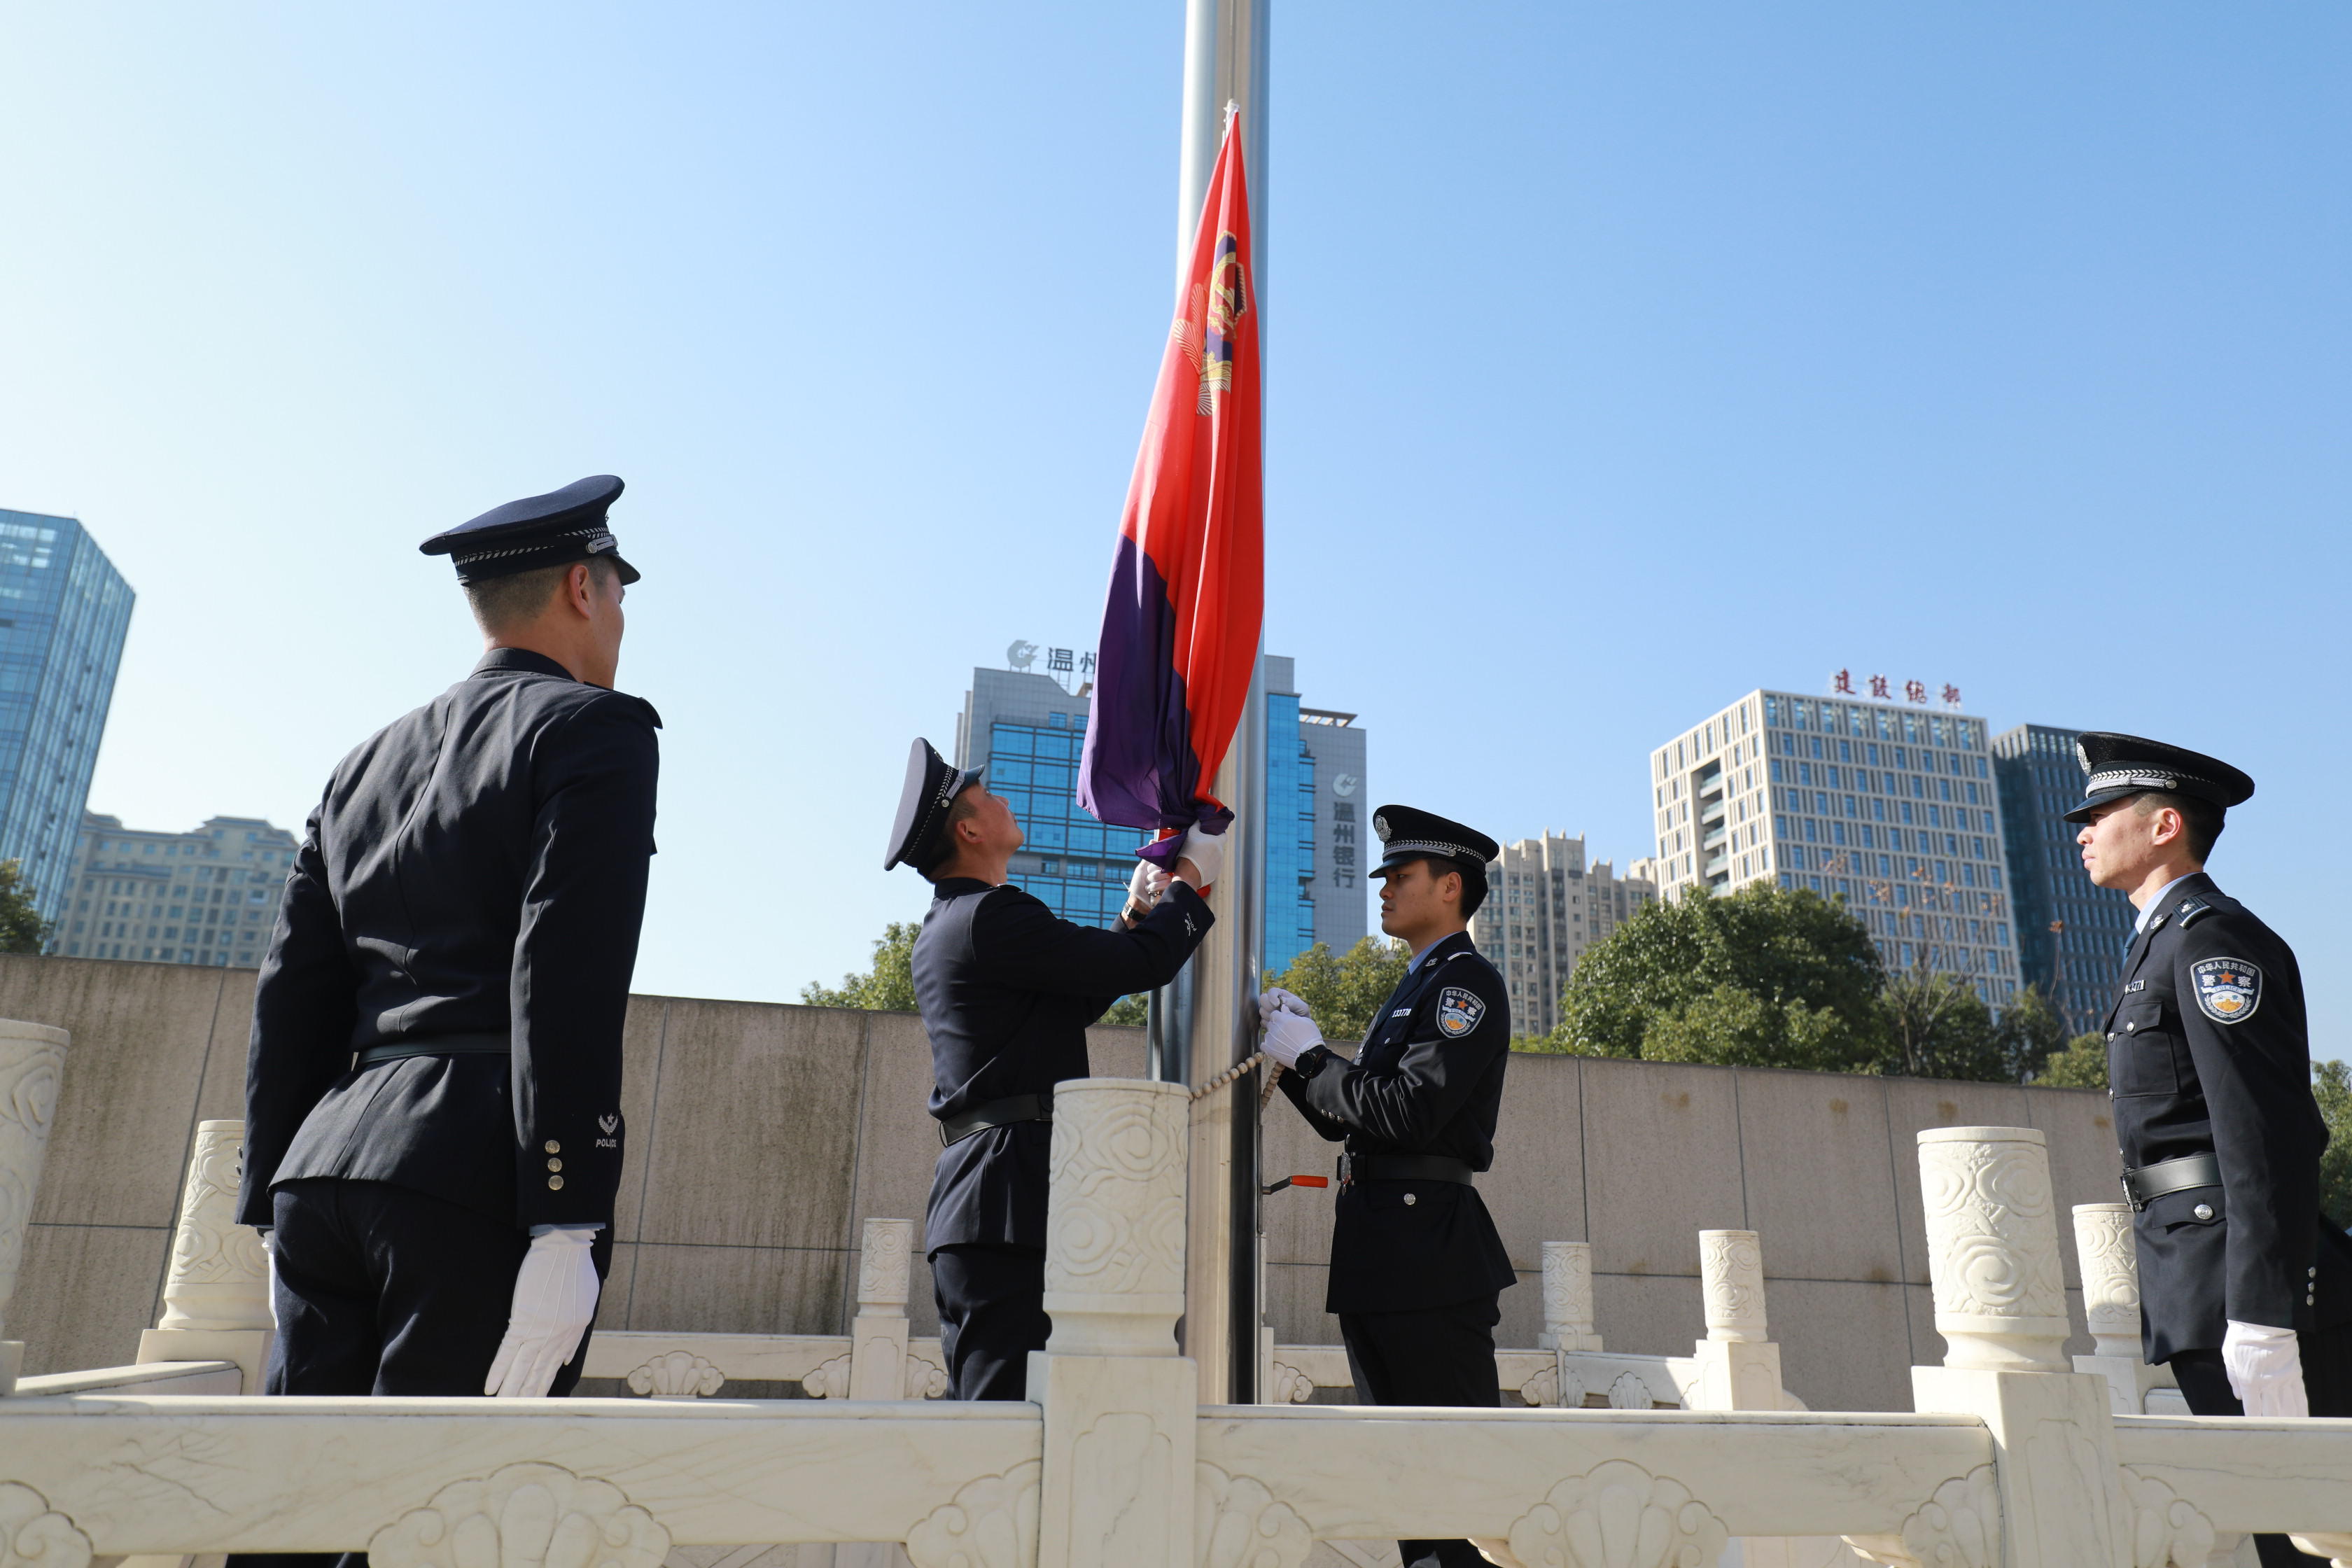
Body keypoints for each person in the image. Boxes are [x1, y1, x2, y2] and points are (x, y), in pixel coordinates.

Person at [237, 475, 659, 1460]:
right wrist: (564, 1222)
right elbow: (563, 977)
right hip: (476, 1169)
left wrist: (271, 1201)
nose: (623, 619)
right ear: (581, 590)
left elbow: (293, 993)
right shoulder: (595, 729)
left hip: (325, 1164)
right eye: (621, 592)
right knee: (444, 1511)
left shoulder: (361, 762)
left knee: (287, 1508)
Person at [2071, 733, 2351, 1568]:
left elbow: (2266, 1133)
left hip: (2248, 1291)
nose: (2081, 829)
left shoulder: (2208, 940)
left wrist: (2264, 1310)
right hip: (2197, 1282)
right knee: (2281, 1531)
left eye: (2098, 812)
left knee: (2314, 1532)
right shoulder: (2152, 947)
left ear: (2164, 824)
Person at [884, 738, 1224, 1400]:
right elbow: (1138, 969)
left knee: (1011, 1414)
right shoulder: (991, 916)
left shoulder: (960, 921)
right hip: (1005, 1203)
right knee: (999, 1423)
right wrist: (1189, 888)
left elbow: (1076, 996)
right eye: (986, 795)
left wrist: (1138, 916)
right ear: (970, 828)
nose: (1002, 798)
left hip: (996, 1198)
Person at [1257, 804, 1514, 1568]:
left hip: (1428, 1253)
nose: (1386, 889)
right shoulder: (1415, 986)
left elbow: (1408, 1109)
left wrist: (1309, 1059)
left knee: (1454, 1485)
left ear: (1450, 886)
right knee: (1405, 1479)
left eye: (1401, 876)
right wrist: (1296, 1052)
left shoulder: (1464, 985)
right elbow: (1354, 1119)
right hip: (1384, 1247)